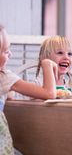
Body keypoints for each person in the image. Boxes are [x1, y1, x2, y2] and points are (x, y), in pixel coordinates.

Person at [0, 24, 58, 154]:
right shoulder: (4, 77)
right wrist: (47, 64)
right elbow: (49, 93)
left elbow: (9, 96)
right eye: (5, 51)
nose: (10, 54)